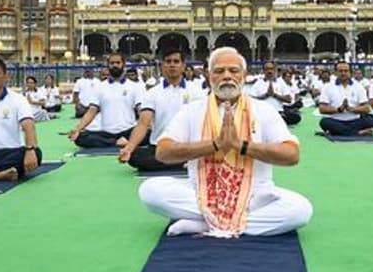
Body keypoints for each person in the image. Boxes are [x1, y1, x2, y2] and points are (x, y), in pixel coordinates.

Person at [137, 47, 312, 236]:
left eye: (233, 71)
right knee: (149, 191)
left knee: (300, 210)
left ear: (244, 75)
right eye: (219, 71)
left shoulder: (264, 110)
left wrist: (241, 145)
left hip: (255, 192)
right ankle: (233, 219)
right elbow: (163, 151)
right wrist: (215, 144)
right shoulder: (192, 110)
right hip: (200, 190)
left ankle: (207, 222)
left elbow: (291, 155)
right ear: (209, 75)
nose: (227, 76)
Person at [120, 49, 205, 172]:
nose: (172, 65)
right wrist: (129, 148)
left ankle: (184, 160)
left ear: (183, 66)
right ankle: (184, 162)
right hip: (159, 147)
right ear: (162, 66)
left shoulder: (196, 92)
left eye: (176, 61)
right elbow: (143, 124)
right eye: (168, 61)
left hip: (186, 146)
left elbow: (202, 122)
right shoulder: (152, 93)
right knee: (134, 157)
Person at [69, 53, 143, 148]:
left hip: (129, 130)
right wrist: (78, 128)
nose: (115, 65)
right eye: (112, 63)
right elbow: (91, 111)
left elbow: (141, 111)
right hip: (106, 132)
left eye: (118, 62)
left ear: (123, 65)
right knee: (79, 137)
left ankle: (120, 141)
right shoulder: (99, 87)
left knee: (148, 133)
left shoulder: (135, 87)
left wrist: (147, 126)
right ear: (108, 65)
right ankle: (116, 143)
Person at [316, 61, 373, 136]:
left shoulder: (359, 86)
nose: (343, 73)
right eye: (340, 71)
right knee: (324, 122)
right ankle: (357, 133)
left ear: (350, 73)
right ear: (336, 73)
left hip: (354, 121)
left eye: (346, 71)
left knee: (369, 120)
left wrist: (352, 109)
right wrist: (338, 109)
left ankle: (338, 131)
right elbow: (322, 109)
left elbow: (367, 108)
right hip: (335, 120)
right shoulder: (328, 87)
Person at [247, 60, 300, 125]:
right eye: (267, 69)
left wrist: (274, 95)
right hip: (262, 114)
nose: (269, 71)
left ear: (274, 70)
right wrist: (265, 95)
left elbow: (289, 99)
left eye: (271, 69)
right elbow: (251, 100)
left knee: (296, 117)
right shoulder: (258, 83)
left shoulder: (280, 82)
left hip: (278, 112)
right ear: (263, 71)